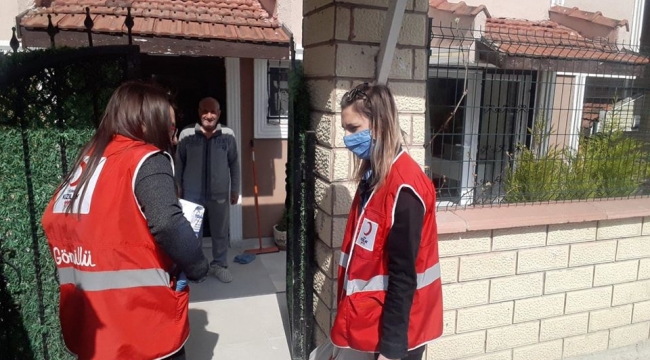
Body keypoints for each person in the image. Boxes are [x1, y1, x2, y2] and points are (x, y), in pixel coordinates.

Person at [41, 81, 210, 360]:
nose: (174, 137)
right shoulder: (146, 159)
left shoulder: (90, 160)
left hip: (91, 324)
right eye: (168, 128)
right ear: (145, 124)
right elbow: (168, 224)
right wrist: (198, 265)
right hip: (139, 321)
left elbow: (57, 223)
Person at [330, 83, 443, 360]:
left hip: (398, 335)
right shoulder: (374, 176)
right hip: (370, 323)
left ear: (378, 125)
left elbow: (404, 276)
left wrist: (392, 350)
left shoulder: (404, 188)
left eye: (353, 129)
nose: (346, 138)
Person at [175, 97, 240, 283]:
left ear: (219, 113)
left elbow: (234, 163)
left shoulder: (228, 134)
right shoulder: (187, 134)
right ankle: (197, 269)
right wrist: (177, 185)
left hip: (219, 194)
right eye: (205, 111)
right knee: (193, 233)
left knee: (220, 232)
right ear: (198, 112)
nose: (209, 115)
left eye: (213, 111)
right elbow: (179, 162)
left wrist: (235, 189)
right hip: (192, 195)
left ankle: (219, 265)